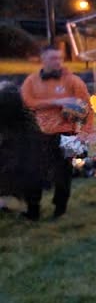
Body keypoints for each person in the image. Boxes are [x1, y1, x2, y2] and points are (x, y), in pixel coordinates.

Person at [19, 45, 94, 220]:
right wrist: (57, 101)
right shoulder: (32, 81)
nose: (57, 62)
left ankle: (59, 210)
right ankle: (33, 210)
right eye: (53, 58)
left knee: (62, 174)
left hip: (65, 134)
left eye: (59, 58)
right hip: (38, 134)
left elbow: (87, 109)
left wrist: (84, 132)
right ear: (43, 59)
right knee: (33, 171)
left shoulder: (73, 81)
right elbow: (28, 102)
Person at [1, 84, 50, 220]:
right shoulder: (26, 115)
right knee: (31, 181)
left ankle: (21, 206)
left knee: (11, 178)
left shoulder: (6, 113)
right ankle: (32, 210)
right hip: (32, 151)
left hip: (17, 152)